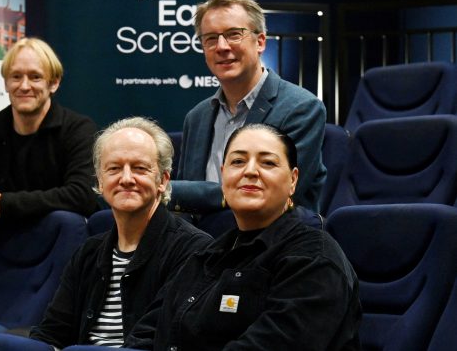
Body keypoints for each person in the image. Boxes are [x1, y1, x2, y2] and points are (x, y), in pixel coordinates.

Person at [127, 124, 361, 350]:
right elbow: (147, 333)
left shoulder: (315, 258)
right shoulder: (204, 255)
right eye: (238, 161)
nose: (250, 171)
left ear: (293, 180)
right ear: (223, 175)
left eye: (268, 163)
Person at [30, 117, 211, 348]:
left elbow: (153, 340)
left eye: (140, 168)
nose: (126, 179)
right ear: (100, 181)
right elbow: (51, 332)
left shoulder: (192, 250)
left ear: (163, 180)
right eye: (114, 168)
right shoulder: (88, 253)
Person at [173, 0, 327, 220]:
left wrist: (171, 191)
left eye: (234, 34)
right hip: (201, 248)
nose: (222, 47)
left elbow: (274, 194)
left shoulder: (302, 108)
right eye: (211, 39)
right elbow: (185, 207)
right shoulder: (196, 117)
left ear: (261, 42)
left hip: (271, 245)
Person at [0, 37, 98, 230]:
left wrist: (5, 205)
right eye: (16, 76)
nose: (24, 86)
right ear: (5, 83)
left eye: (35, 77)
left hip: (59, 243)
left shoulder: (78, 129)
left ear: (53, 83)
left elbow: (82, 196)